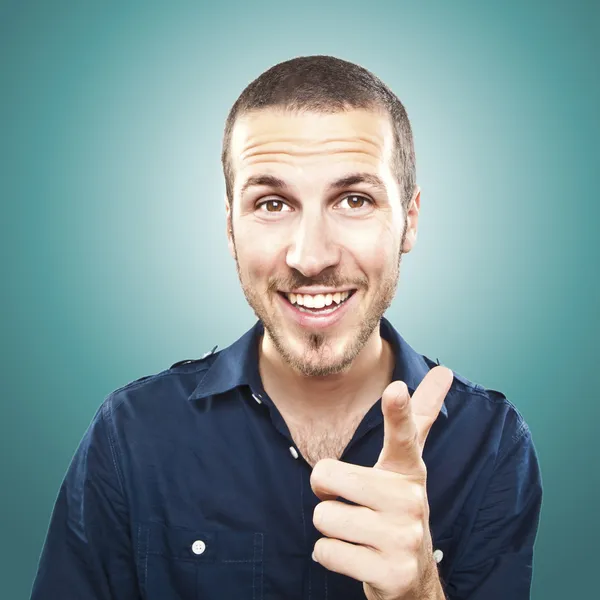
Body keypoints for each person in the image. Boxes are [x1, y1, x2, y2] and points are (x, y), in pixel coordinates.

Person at [30, 55, 542, 600]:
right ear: (230, 227)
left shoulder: (491, 445)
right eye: (273, 203)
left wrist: (418, 590)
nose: (310, 256)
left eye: (354, 199)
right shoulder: (130, 435)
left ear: (409, 220)